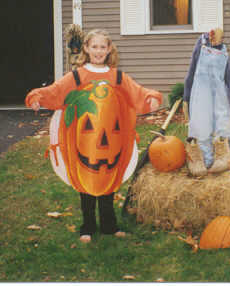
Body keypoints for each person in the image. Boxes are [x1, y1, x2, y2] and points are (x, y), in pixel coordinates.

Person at [25, 29, 162, 243]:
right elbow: (56, 91)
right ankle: (87, 226)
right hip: (85, 140)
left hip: (112, 140)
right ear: (87, 49)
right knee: (86, 179)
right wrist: (37, 97)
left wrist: (151, 98)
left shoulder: (117, 76)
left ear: (109, 50)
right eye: (94, 47)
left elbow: (136, 92)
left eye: (102, 47)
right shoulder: (78, 76)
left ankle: (110, 225)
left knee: (108, 179)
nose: (98, 51)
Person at [184, 28, 230, 176]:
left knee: (221, 123)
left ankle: (222, 154)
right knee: (200, 125)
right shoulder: (199, 53)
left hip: (220, 96)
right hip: (200, 95)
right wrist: (186, 98)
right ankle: (200, 158)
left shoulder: (225, 58)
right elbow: (191, 76)